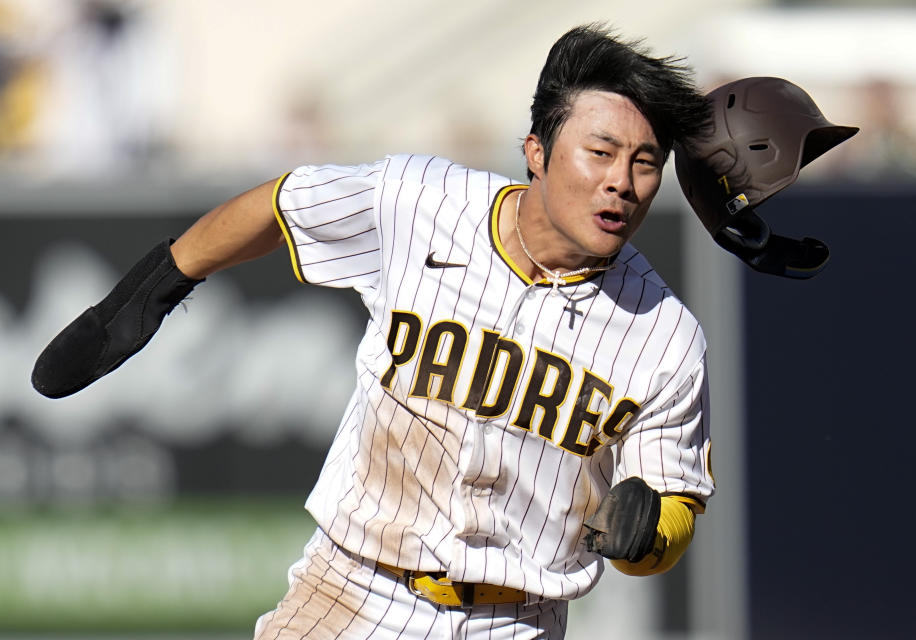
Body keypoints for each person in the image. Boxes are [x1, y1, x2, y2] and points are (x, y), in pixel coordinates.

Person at [32, 24, 715, 638]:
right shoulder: (420, 203)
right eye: (600, 152)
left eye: (645, 163)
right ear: (536, 151)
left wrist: (651, 535)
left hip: (520, 621)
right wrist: (157, 285)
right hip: (353, 590)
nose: (621, 183)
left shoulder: (665, 336)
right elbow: (279, 204)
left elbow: (675, 500)